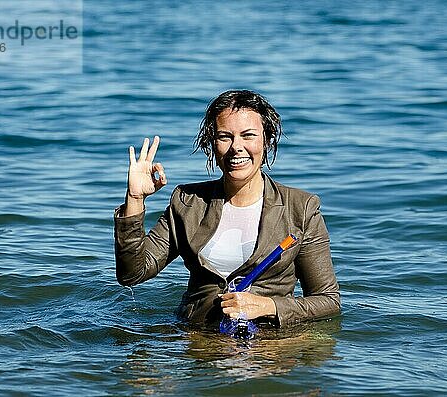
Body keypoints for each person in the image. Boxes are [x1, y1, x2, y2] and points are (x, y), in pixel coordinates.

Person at [114, 90, 340, 329]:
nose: (236, 147)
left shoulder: (301, 208)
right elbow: (132, 274)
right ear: (212, 144)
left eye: (248, 135)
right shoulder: (188, 201)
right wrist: (135, 198)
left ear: (267, 140)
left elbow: (328, 301)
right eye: (225, 137)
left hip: (267, 347)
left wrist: (269, 306)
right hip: (198, 340)